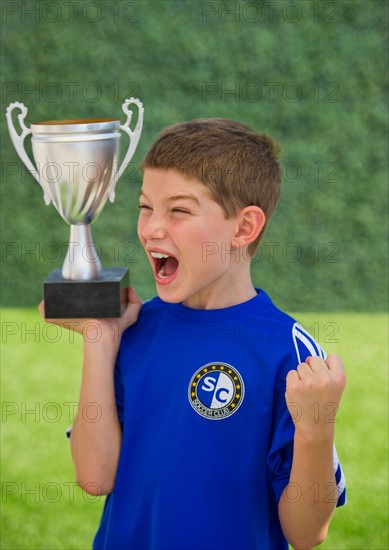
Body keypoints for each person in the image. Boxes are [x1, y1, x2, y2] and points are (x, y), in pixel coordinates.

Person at [40, 118, 346, 550]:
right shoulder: (136, 329)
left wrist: (317, 430)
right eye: (145, 207)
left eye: (179, 210)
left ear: (243, 228)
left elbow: (306, 533)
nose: (151, 228)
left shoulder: (287, 352)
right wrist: (100, 339)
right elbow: (94, 476)